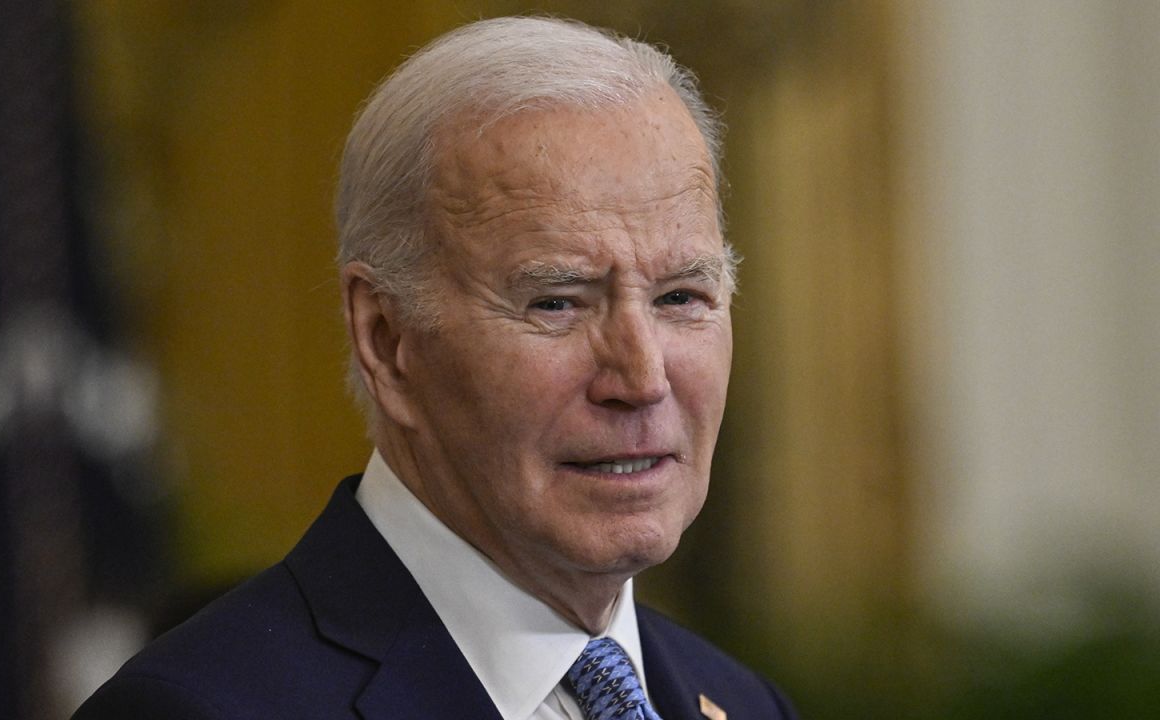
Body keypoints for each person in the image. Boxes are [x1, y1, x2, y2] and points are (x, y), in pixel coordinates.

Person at [74, 16, 796, 720]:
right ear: (388, 341)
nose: (641, 379)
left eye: (680, 296)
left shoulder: (741, 702)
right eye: (556, 303)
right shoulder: (195, 708)